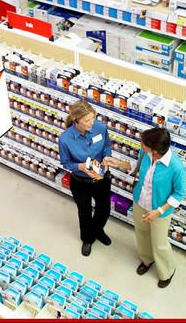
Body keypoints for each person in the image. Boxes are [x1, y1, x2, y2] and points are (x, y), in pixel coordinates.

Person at [103, 127, 186, 288]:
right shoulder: (146, 154)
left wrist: (159, 211)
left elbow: (179, 194)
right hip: (140, 202)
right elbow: (137, 166)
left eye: (144, 143)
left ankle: (167, 271)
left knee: (159, 242)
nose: (141, 144)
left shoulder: (176, 167)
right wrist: (117, 162)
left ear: (155, 150)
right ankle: (147, 260)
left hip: (160, 211)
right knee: (141, 233)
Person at [58, 100, 113, 257]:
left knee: (104, 209)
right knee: (85, 212)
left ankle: (97, 230)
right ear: (76, 120)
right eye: (87, 120)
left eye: (93, 118)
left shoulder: (100, 128)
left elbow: (106, 147)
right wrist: (80, 167)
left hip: (101, 178)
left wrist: (106, 159)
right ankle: (87, 238)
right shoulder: (65, 139)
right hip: (81, 182)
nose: (92, 123)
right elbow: (66, 162)